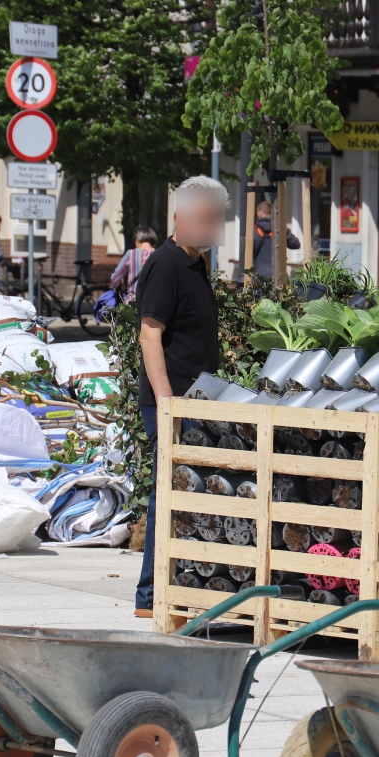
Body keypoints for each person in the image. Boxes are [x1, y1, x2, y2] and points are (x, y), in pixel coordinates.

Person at [134, 176, 226, 616]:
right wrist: (167, 402)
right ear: (179, 218)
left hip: (196, 401)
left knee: (186, 496)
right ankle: (151, 597)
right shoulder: (167, 264)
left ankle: (180, 588)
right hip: (171, 403)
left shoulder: (194, 262)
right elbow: (150, 335)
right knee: (169, 496)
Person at [251, 198, 299, 280]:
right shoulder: (281, 229)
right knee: (279, 292)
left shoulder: (253, 231)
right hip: (278, 271)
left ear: (260, 213)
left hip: (259, 271)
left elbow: (248, 252)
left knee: (259, 292)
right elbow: (295, 244)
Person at [109, 228, 157, 304]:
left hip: (133, 302)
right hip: (155, 302)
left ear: (137, 240)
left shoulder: (131, 254)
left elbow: (115, 279)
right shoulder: (160, 255)